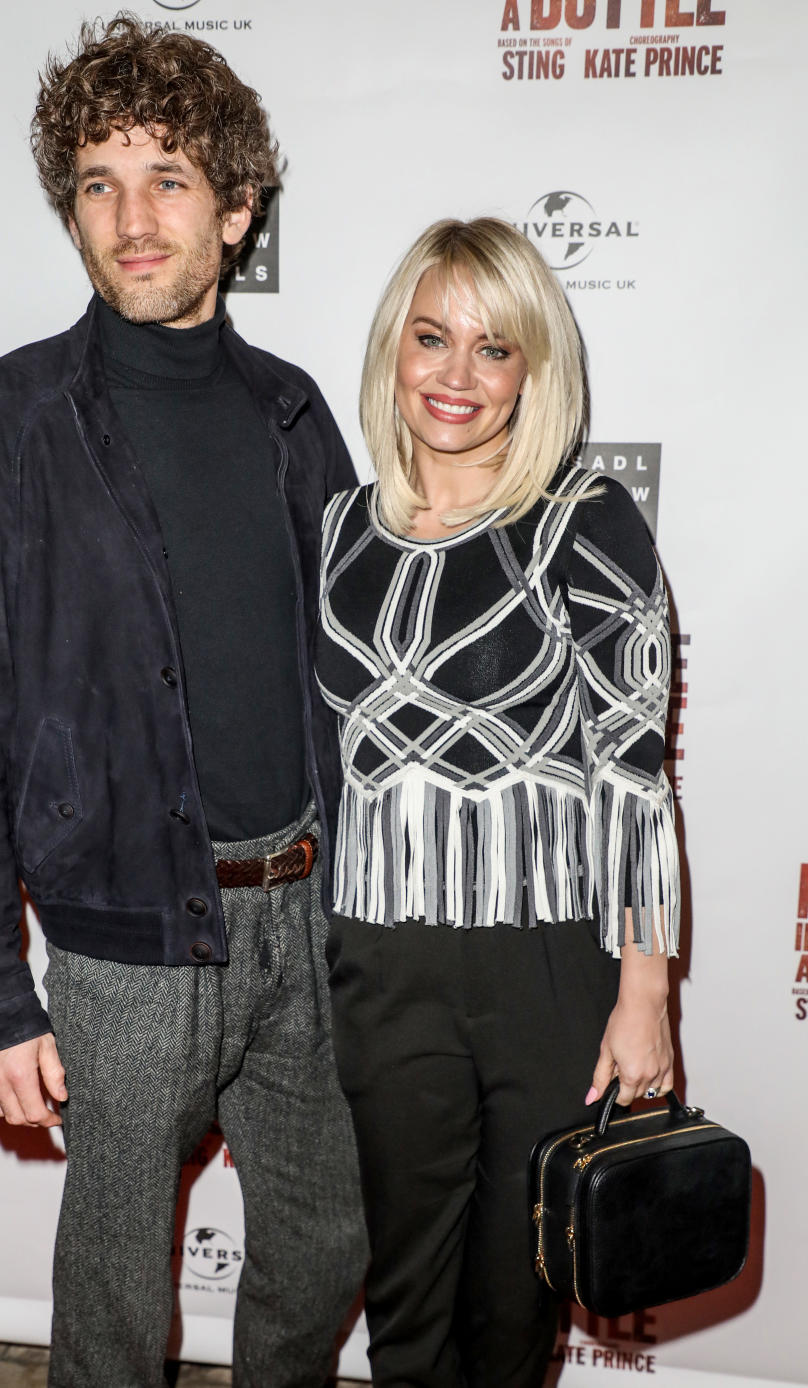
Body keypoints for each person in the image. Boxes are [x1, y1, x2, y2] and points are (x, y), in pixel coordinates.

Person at [0, 14, 365, 1387]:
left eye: (169, 177)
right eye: (99, 184)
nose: (133, 216)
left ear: (235, 207)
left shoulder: (294, 413)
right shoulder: (3, 421)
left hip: (308, 904)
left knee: (328, 1242)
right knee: (114, 1300)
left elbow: (354, 677)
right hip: (121, 941)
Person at [316, 217, 679, 1388]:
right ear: (394, 349)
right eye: (431, 338)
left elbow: (635, 774)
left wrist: (646, 991)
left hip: (546, 965)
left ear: (536, 366)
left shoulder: (588, 521)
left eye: (493, 347)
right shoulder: (334, 531)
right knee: (404, 1292)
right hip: (379, 959)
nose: (456, 376)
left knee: (516, 1295)